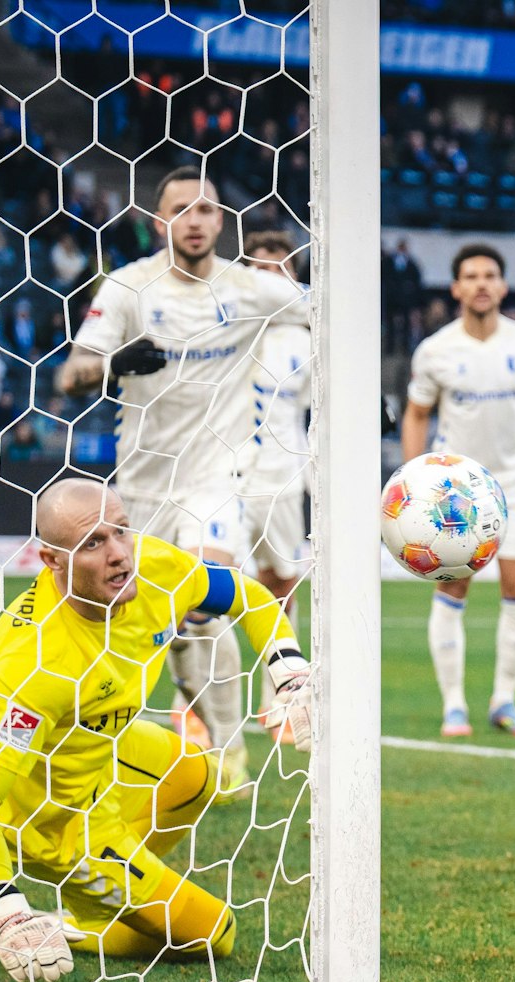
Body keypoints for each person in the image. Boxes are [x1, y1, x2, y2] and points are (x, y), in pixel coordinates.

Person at [0, 480, 312, 982]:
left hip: (106, 753)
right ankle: (88, 911)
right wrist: (3, 907)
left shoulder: (156, 569)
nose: (120, 554)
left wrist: (288, 671)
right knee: (215, 934)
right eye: (93, 543)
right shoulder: (30, 666)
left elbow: (248, 597)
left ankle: (114, 886)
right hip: (53, 819)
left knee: (200, 774)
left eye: (122, 530)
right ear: (51, 560)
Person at [57, 166, 307, 790]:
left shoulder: (250, 288)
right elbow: (71, 374)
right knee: (149, 621)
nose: (193, 221)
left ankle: (227, 755)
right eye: (179, 210)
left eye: (205, 209)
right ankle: (157, 733)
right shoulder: (128, 288)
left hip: (218, 475)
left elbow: (327, 319)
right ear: (158, 221)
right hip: (140, 485)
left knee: (203, 601)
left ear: (222, 222)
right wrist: (113, 361)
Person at [400, 243, 515, 737]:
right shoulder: (435, 350)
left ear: (503, 286)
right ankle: (454, 705)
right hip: (455, 489)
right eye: (470, 276)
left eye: (489, 275)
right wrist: (414, 481)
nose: (481, 284)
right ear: (456, 288)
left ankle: (504, 702)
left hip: (514, 483)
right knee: (454, 586)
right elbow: (416, 415)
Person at [239, 230, 311, 730]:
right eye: (258, 271)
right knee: (210, 587)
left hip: (283, 476)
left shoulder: (305, 341)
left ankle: (281, 700)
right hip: (221, 477)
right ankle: (196, 709)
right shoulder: (221, 329)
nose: (268, 280)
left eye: (278, 270)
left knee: (282, 585)